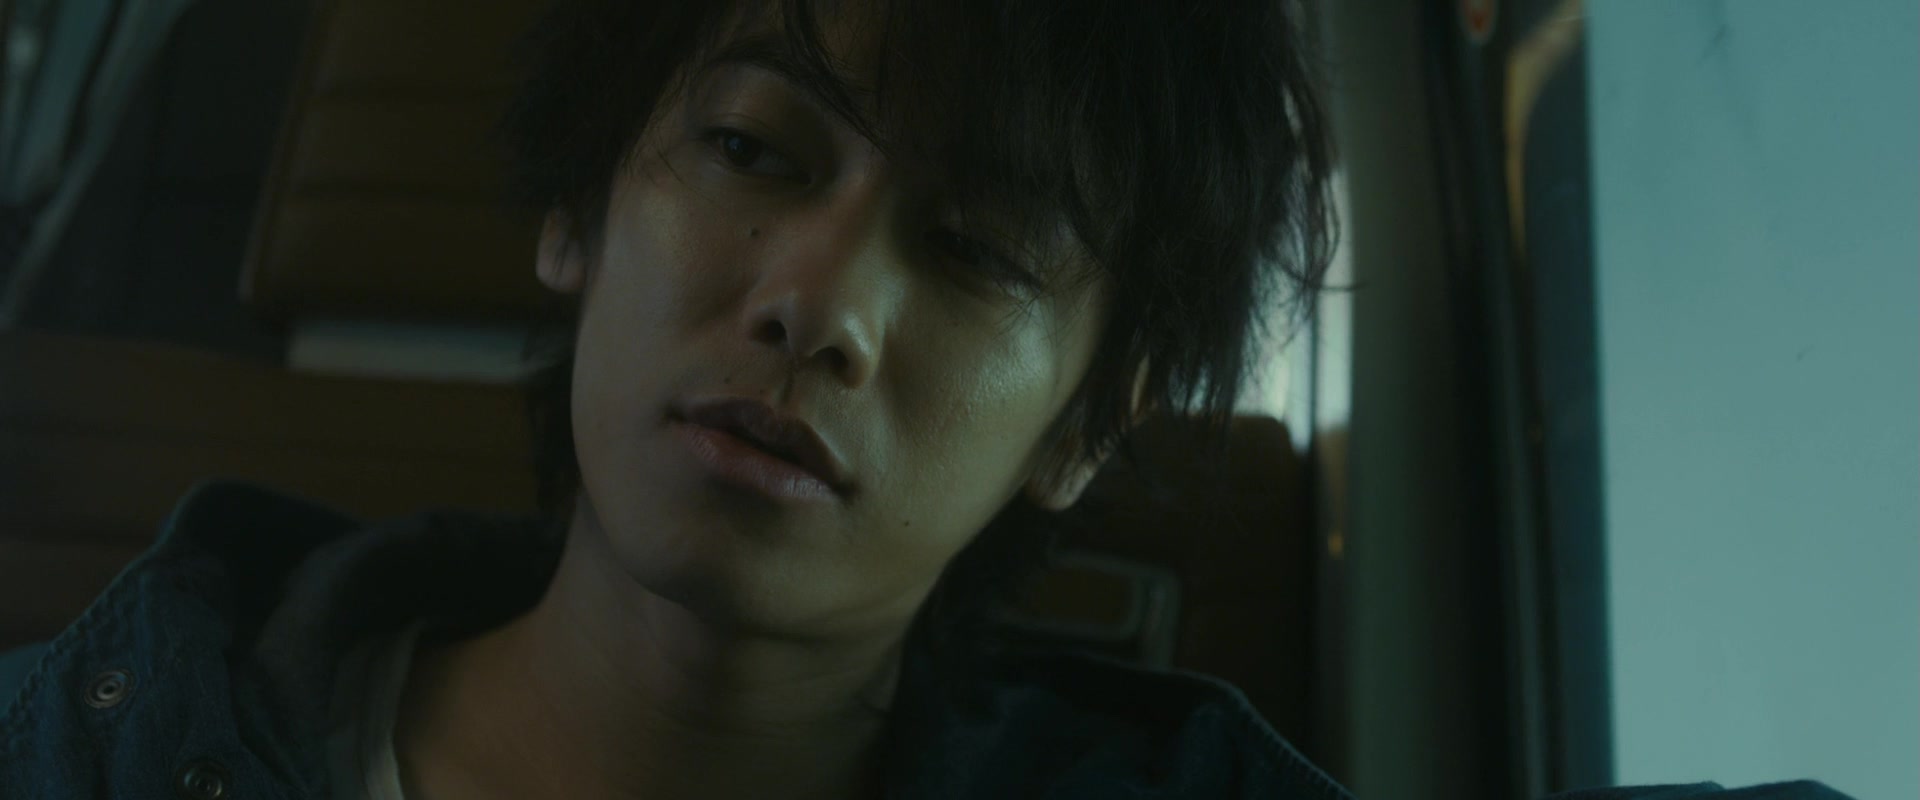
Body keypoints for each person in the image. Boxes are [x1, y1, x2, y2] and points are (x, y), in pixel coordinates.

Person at [0, 1, 1858, 799]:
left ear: (1083, 427)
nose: (821, 306)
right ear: (578, 210)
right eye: (751, 148)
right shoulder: (94, 742)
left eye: (976, 248)